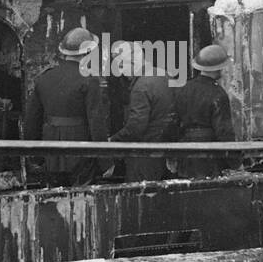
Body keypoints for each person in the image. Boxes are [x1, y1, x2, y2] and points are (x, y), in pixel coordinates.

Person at [22, 27, 109, 187]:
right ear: (87, 53)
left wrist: (35, 155)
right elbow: (96, 123)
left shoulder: (44, 78)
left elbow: (32, 120)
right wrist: (106, 161)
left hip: (51, 148)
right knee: (83, 198)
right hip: (80, 148)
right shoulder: (89, 80)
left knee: (54, 196)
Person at [108, 42, 177, 182]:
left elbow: (136, 127)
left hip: (144, 155)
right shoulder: (164, 75)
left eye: (121, 66)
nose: (120, 72)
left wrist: (112, 141)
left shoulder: (141, 87)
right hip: (167, 151)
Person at [173, 45, 235, 178]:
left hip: (186, 153)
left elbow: (173, 122)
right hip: (209, 156)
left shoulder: (184, 89)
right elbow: (224, 132)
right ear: (217, 68)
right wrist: (235, 161)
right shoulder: (218, 94)